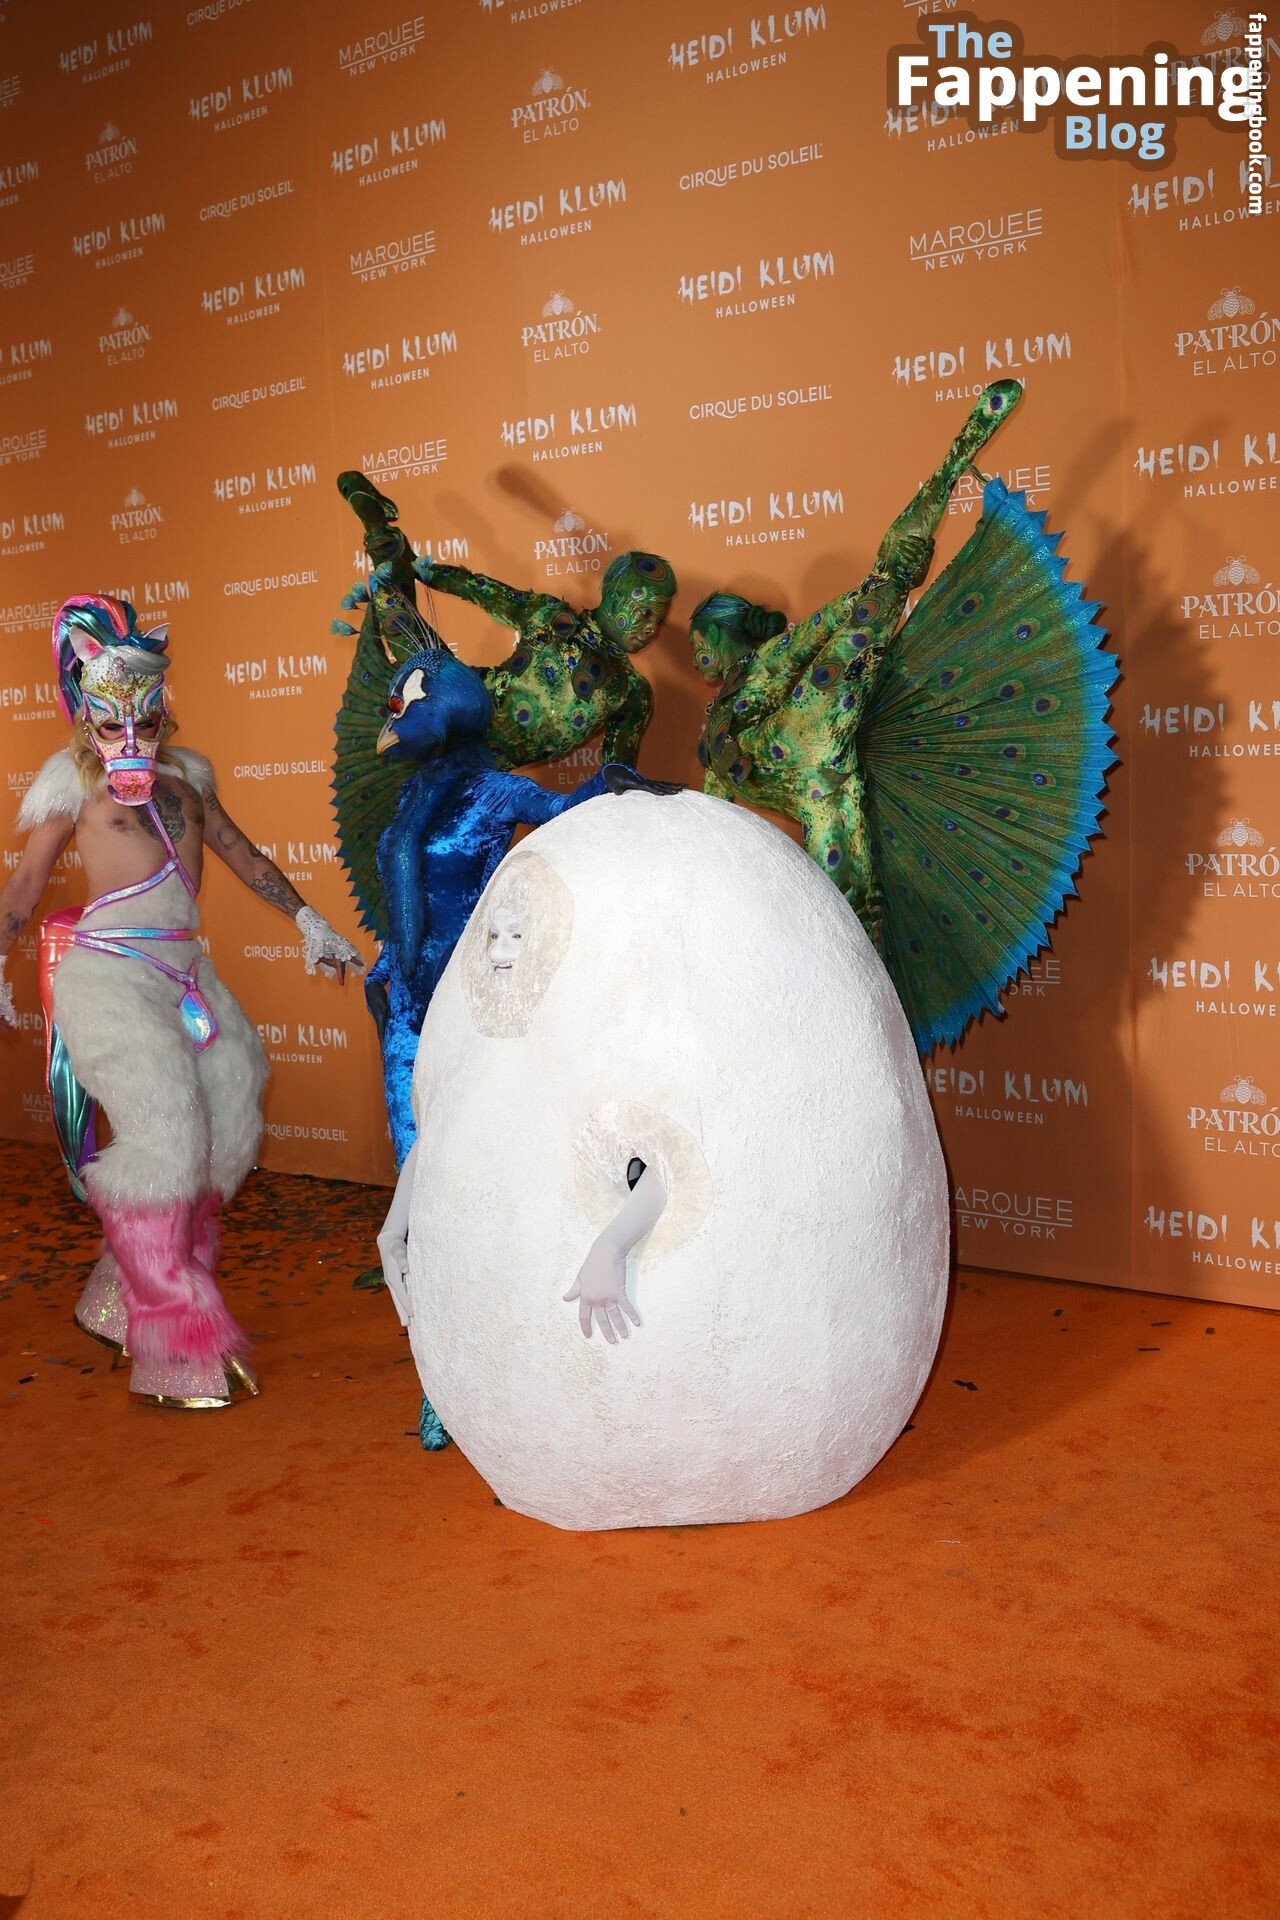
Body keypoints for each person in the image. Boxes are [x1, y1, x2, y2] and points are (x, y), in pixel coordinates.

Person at [0, 594, 362, 1409]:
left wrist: (309, 920)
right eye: (112, 720)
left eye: (146, 716)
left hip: (184, 974)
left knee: (230, 1122)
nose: (131, 733)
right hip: (108, 975)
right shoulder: (72, 789)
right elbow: (25, 883)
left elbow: (242, 853)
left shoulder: (191, 781)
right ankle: (173, 1336)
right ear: (87, 717)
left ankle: (115, 1293)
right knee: (164, 1136)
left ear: (163, 708)